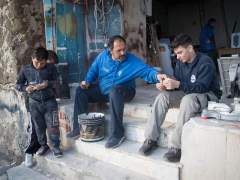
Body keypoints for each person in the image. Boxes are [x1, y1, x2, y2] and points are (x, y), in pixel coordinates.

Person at [67, 35, 163, 148]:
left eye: (124, 49)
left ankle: (117, 135)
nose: (123, 52)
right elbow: (93, 70)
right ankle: (78, 129)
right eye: (119, 50)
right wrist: (87, 81)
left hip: (125, 92)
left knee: (114, 90)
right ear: (110, 50)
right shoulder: (103, 57)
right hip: (105, 91)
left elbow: (147, 71)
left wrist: (158, 76)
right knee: (80, 91)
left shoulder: (131, 60)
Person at [139, 34, 221, 162]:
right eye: (176, 54)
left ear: (190, 48)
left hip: (208, 96)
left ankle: (176, 147)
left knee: (188, 100)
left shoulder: (206, 62)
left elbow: (201, 87)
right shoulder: (180, 62)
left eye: (180, 53)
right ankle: (150, 138)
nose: (177, 57)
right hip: (188, 93)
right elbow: (180, 83)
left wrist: (178, 84)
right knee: (162, 97)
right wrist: (167, 84)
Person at [16, 47, 63, 167]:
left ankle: (56, 146)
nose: (38, 65)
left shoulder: (51, 68)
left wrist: (47, 84)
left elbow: (58, 81)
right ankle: (43, 145)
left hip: (50, 102)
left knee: (53, 125)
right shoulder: (25, 69)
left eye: (42, 63)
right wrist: (25, 88)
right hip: (34, 103)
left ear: (46, 61)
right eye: (36, 62)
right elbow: (18, 84)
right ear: (32, 58)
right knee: (38, 127)